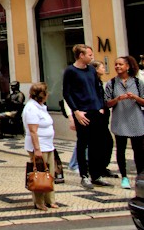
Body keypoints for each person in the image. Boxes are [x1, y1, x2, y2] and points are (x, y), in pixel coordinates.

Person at [63, 44, 112, 190]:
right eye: (89, 54)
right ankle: (84, 175)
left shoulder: (91, 70)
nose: (92, 57)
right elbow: (67, 93)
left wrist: (101, 107)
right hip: (82, 112)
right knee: (83, 143)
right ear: (81, 56)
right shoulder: (70, 71)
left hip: (95, 111)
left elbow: (98, 89)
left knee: (97, 144)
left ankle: (96, 174)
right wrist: (75, 111)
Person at [104, 56, 144, 189]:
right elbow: (107, 103)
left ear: (128, 66)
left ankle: (140, 176)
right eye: (116, 64)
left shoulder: (138, 83)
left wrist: (135, 97)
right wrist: (118, 99)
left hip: (136, 120)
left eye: (120, 64)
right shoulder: (111, 83)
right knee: (120, 150)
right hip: (120, 120)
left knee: (139, 151)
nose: (117, 67)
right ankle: (124, 177)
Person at [23, 82, 58, 211]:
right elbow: (33, 131)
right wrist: (37, 149)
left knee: (49, 173)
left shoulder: (41, 106)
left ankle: (50, 200)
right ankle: (39, 202)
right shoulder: (31, 108)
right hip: (39, 146)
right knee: (39, 174)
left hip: (48, 145)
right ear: (42, 95)